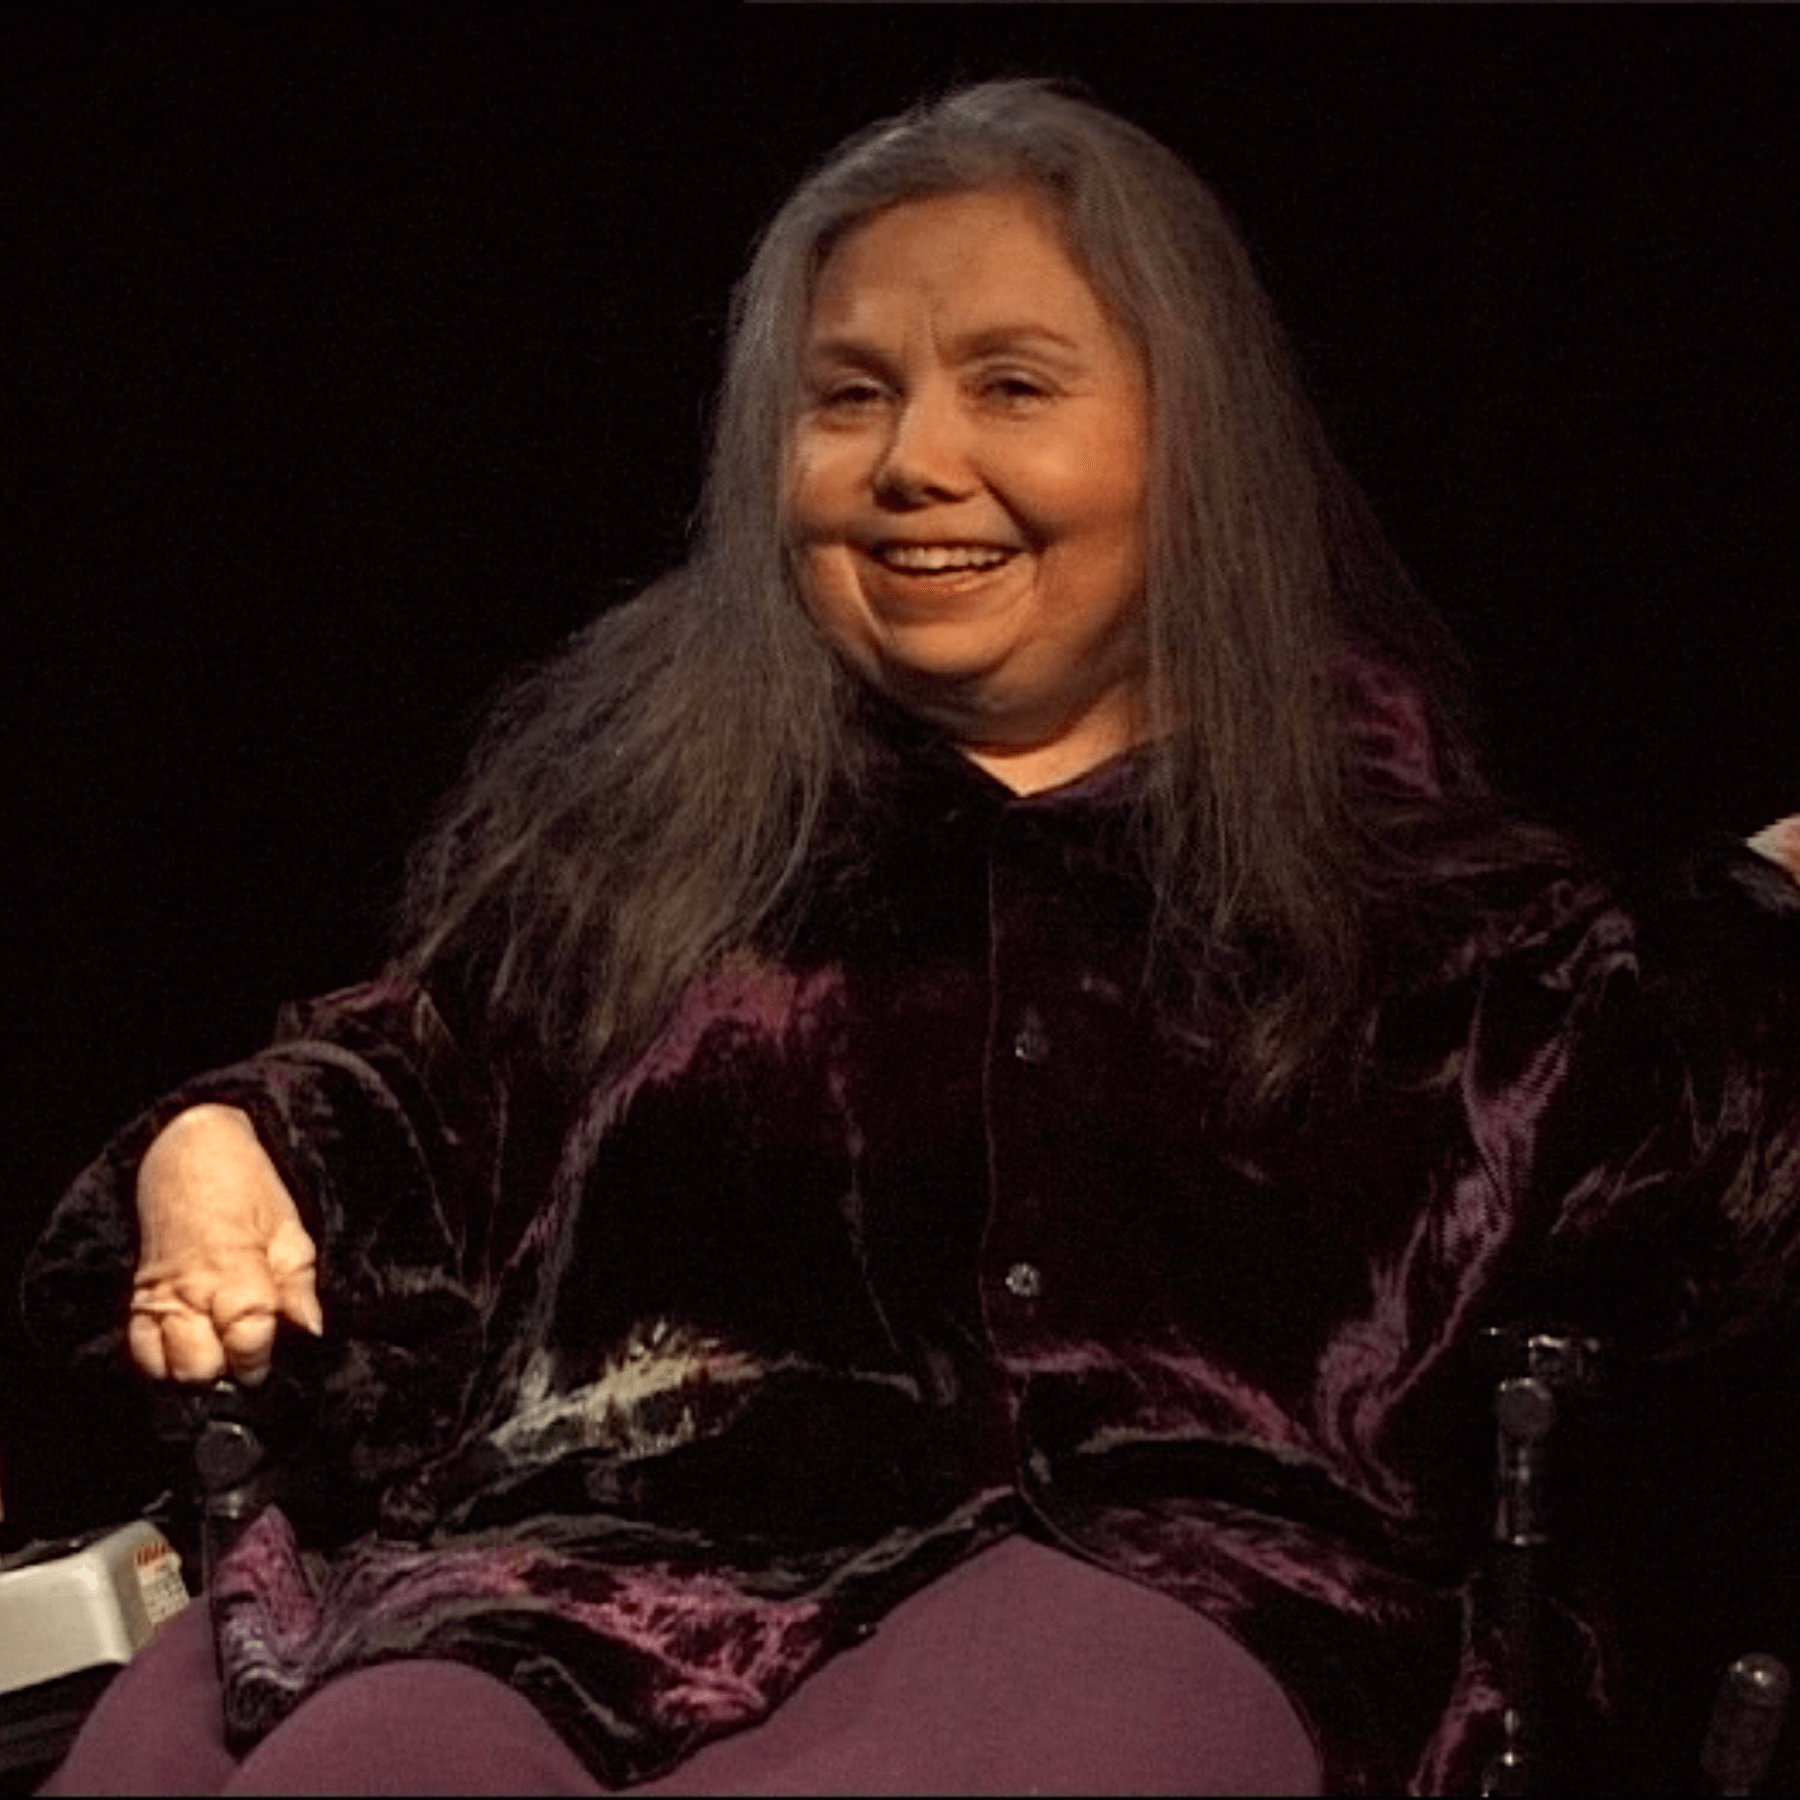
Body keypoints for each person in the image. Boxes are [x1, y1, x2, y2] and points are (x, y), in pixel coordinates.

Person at [21, 78, 1800, 1795]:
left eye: (1012, 386)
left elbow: (1706, 1139)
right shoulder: (647, 870)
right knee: (373, 1760)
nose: (914, 463)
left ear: (1196, 438)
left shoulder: (1432, 915)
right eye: (847, 398)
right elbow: (387, 1097)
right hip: (583, 1576)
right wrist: (216, 1150)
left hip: (1157, 1579)